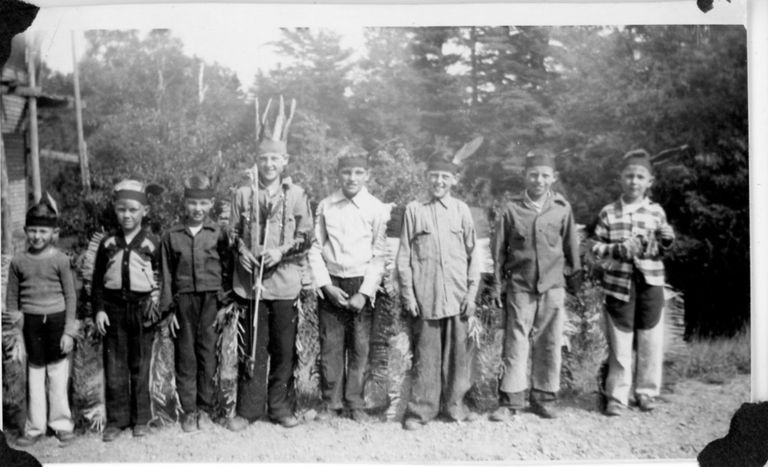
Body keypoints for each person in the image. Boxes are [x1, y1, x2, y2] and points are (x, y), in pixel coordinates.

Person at [227, 96, 313, 430]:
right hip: (252, 287)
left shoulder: (296, 195)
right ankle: (248, 409)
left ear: (285, 160)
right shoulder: (243, 194)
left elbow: (306, 236)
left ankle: (280, 407)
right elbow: (232, 232)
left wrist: (281, 252)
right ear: (256, 161)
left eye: (275, 158)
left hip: (286, 282)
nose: (269, 164)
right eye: (263, 158)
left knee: (283, 349)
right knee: (253, 346)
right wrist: (241, 251)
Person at [489, 149, 581, 422]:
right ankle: (511, 400)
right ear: (524, 176)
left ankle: (544, 398)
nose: (538, 180)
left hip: (552, 288)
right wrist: (496, 286)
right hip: (520, 286)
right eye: (533, 175)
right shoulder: (511, 209)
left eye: (544, 175)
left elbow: (571, 248)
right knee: (515, 343)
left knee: (550, 343)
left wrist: (573, 282)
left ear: (554, 178)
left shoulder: (562, 209)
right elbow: (498, 253)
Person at [397, 156, 480, 431]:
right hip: (426, 297)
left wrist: (471, 293)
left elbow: (473, 255)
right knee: (427, 356)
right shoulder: (414, 210)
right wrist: (408, 294)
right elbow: (404, 256)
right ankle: (421, 411)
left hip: (457, 297)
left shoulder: (461, 210)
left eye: (445, 177)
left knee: (458, 357)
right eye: (434, 176)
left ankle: (456, 406)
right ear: (427, 177)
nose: (439, 182)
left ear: (454, 180)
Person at [591, 149, 675, 416]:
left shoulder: (656, 212)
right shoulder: (608, 213)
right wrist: (616, 250)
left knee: (650, 338)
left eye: (640, 177)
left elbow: (662, 250)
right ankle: (617, 396)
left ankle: (647, 392)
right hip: (618, 284)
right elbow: (593, 248)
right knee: (620, 341)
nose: (634, 182)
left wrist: (667, 239)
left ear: (649, 181)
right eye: (629, 176)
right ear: (620, 179)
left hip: (650, 283)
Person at [308, 154, 388, 423]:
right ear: (338, 174)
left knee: (360, 347)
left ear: (367, 174)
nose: (351, 178)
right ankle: (331, 402)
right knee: (331, 344)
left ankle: (355, 402)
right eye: (346, 172)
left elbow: (379, 254)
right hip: (332, 284)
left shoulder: (376, 208)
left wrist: (365, 293)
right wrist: (326, 286)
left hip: (361, 286)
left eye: (358, 172)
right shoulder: (327, 206)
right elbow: (315, 248)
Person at [159, 174, 233, 432]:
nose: (197, 209)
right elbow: (166, 275)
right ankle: (189, 411)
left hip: (212, 301)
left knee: (208, 355)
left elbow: (227, 268)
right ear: (185, 202)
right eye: (192, 203)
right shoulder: (171, 236)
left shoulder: (218, 234)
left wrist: (225, 304)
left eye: (203, 204)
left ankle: (205, 408)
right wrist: (169, 310)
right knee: (186, 356)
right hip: (184, 302)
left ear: (211, 203)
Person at [92, 179, 162, 441]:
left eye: (133, 210)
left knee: (140, 364)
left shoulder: (152, 243)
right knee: (115, 364)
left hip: (142, 310)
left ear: (145, 211)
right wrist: (99, 310)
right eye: (122, 209)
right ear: (114, 209)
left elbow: (162, 277)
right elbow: (97, 281)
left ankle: (141, 418)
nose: (127, 215)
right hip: (113, 310)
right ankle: (117, 420)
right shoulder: (108, 242)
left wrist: (156, 301)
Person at [6, 196, 77, 447]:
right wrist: (15, 330)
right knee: (35, 374)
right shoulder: (18, 261)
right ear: (25, 231)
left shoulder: (60, 260)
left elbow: (70, 296)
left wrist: (69, 331)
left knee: (58, 372)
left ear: (54, 233)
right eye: (32, 230)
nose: (37, 236)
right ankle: (35, 427)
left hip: (56, 321)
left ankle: (61, 423)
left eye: (43, 231)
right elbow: (12, 298)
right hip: (31, 324)